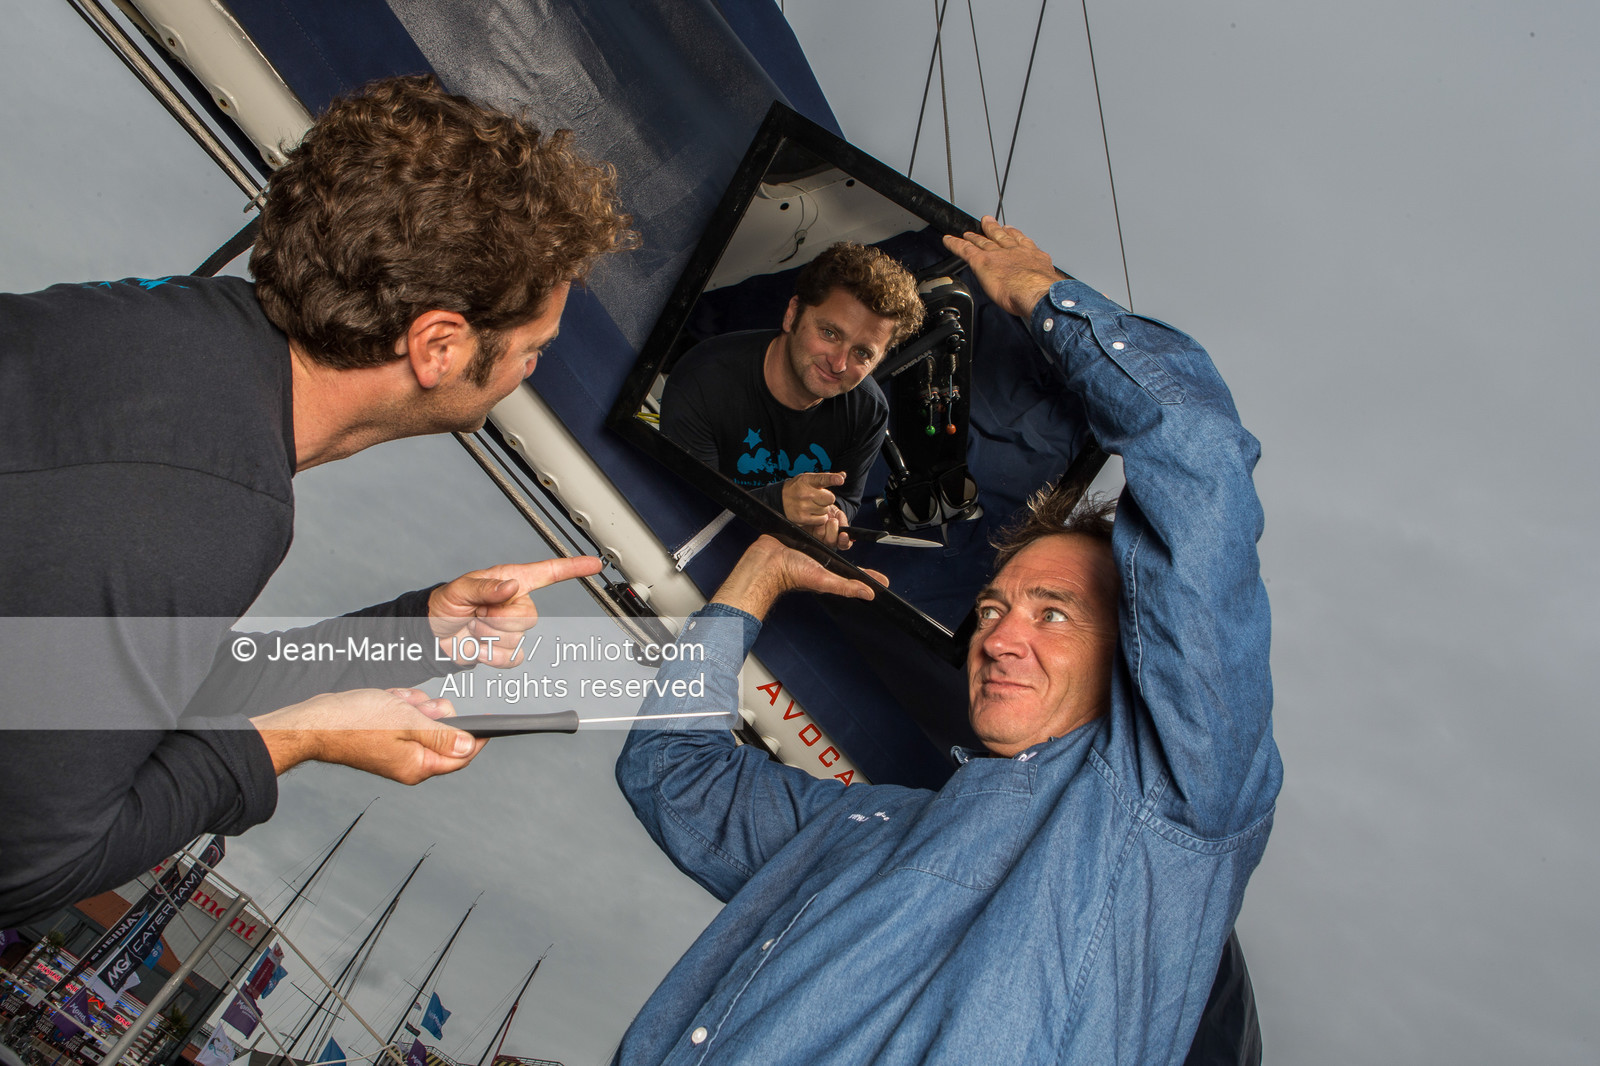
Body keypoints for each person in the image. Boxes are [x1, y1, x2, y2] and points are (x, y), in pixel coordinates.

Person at [612, 218, 1281, 1064]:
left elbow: (1201, 463)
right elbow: (671, 774)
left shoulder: (1162, 825)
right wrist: (759, 578)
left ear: (1134, 658)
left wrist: (1044, 300)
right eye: (994, 610)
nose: (999, 638)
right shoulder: (863, 828)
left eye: (1053, 614)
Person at [0, 75, 632, 927]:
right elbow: (27, 868)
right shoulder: (212, 502)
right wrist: (297, 739)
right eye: (533, 351)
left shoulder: (174, 336)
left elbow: (105, 685)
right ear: (439, 345)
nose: (531, 373)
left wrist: (414, 632)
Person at [659, 242, 922, 547]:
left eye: (862, 353)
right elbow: (681, 510)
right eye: (830, 333)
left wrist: (832, 517)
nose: (838, 364)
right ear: (792, 314)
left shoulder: (869, 410)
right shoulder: (702, 380)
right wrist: (777, 502)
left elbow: (847, 499)